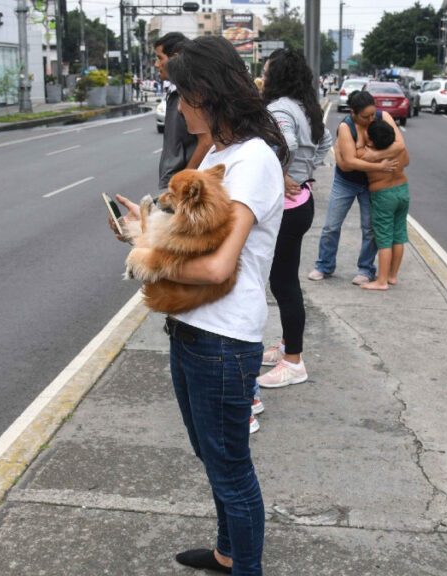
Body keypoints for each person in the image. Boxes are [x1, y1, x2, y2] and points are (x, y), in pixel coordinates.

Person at [110, 35, 287, 576]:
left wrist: (148, 258)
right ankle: (227, 552)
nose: (178, 107)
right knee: (212, 457)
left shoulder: (252, 161)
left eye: (184, 96)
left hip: (223, 340)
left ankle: (245, 567)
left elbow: (217, 267)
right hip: (191, 328)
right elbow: (195, 239)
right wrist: (146, 232)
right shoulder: (218, 151)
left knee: (231, 468)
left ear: (208, 94)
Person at [257, 48, 333, 390]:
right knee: (286, 282)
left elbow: (280, 144)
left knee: (284, 285)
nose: (262, 74)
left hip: (285, 206)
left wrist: (280, 173)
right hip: (301, 200)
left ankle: (294, 362)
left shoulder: (279, 109)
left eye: (266, 70)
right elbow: (325, 142)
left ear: (279, 75)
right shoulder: (307, 107)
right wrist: (302, 173)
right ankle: (288, 347)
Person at [309, 89, 404, 285]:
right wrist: (379, 165)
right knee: (331, 226)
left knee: (370, 229)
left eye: (372, 114)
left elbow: (400, 145)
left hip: (372, 184)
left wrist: (372, 156)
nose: (371, 119)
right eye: (365, 116)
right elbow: (350, 162)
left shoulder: (383, 116)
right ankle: (324, 265)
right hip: (346, 182)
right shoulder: (346, 127)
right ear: (353, 112)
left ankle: (366, 269)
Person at [154, 32, 212, 190]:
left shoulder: (190, 92)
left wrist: (184, 180)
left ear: (175, 58)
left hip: (187, 189)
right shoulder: (176, 91)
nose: (156, 64)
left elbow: (207, 141)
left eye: (160, 58)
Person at [357, 118, 410, 291]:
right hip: (402, 190)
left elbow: (354, 159)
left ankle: (381, 281)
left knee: (384, 238)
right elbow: (407, 161)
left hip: (383, 195)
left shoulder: (367, 154)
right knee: (399, 234)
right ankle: (392, 276)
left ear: (371, 140)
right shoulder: (399, 150)